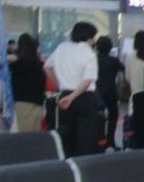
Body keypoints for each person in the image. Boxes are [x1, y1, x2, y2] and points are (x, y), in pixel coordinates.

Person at [45, 21, 100, 156]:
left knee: (67, 137)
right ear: (89, 38)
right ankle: (83, 166)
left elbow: (47, 67)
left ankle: (67, 164)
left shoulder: (62, 47)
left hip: (64, 96)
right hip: (84, 98)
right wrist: (73, 96)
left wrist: (59, 85)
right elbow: (88, 80)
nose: (94, 41)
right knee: (85, 139)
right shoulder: (88, 52)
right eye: (93, 38)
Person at [9, 33, 46, 134]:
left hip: (23, 103)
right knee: (36, 132)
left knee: (25, 134)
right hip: (38, 103)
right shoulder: (39, 65)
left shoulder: (16, 66)